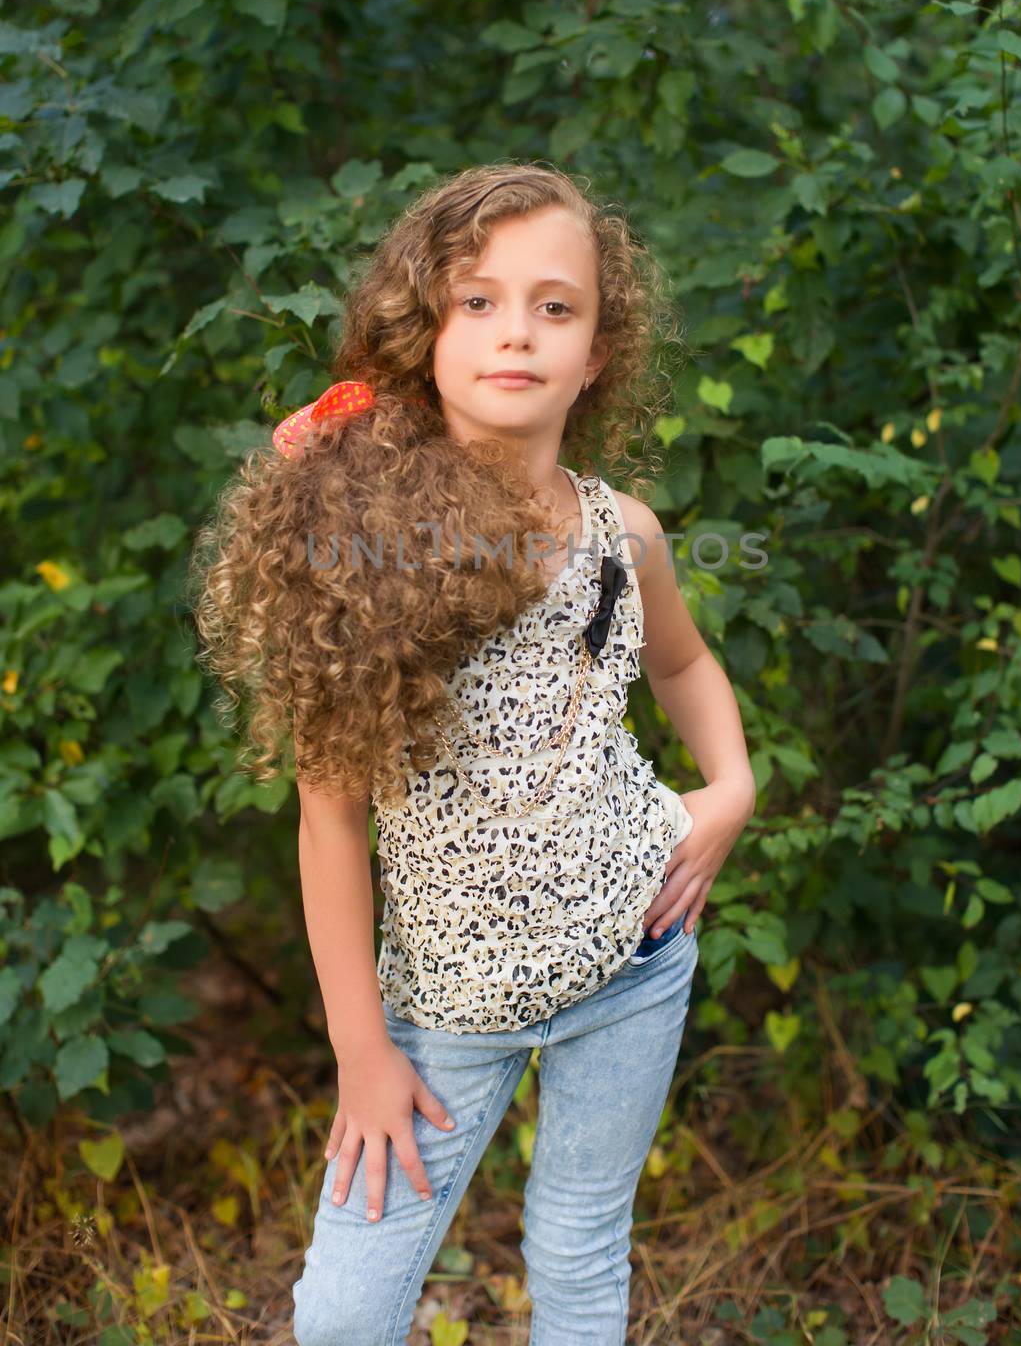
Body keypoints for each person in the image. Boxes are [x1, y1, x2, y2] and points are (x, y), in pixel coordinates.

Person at [190, 162, 756, 1345]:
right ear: (425, 332)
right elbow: (330, 816)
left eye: (556, 306)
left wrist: (730, 788)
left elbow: (685, 668)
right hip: (445, 1000)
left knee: (579, 1253)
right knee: (343, 1314)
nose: (518, 333)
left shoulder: (621, 533)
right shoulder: (369, 543)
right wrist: (359, 1048)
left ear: (597, 350)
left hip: (634, 950)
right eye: (478, 301)